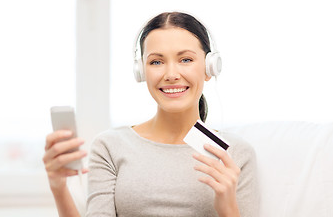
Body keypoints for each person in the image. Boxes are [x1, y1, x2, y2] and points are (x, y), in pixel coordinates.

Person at [43, 12, 259, 217]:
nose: (171, 75)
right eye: (157, 62)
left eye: (185, 60)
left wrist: (228, 208)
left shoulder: (235, 153)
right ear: (141, 71)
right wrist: (58, 188)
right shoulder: (110, 146)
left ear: (210, 67)